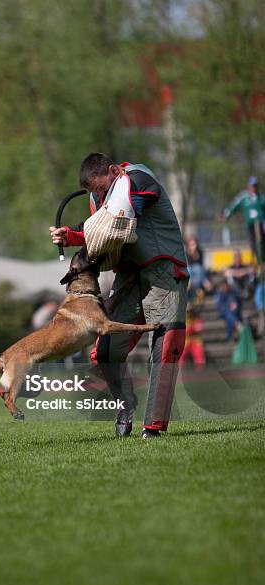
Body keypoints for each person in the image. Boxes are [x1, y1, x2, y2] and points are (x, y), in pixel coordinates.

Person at [50, 153, 188, 439]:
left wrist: (82, 232)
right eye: (94, 191)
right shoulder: (98, 199)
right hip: (129, 275)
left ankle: (153, 427)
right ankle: (125, 405)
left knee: (165, 345)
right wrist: (69, 235)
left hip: (164, 269)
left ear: (113, 170)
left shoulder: (137, 178)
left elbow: (120, 221)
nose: (98, 195)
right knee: (105, 351)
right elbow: (99, 228)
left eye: (100, 188)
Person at [223, 176, 265, 262]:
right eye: (252, 185)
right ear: (248, 186)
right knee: (254, 242)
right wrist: (226, 215)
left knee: (261, 241)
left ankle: (261, 260)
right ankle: (257, 260)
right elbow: (233, 206)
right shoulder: (244, 197)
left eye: (255, 185)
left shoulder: (261, 198)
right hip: (251, 224)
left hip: (261, 224)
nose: (254, 188)